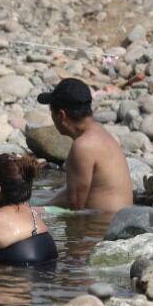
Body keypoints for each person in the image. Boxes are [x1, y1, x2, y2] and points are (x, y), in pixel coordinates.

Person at [39, 78, 132, 213]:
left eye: (51, 112)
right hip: (117, 222)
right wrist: (43, 205)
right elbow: (75, 191)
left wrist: (33, 212)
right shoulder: (101, 133)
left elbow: (75, 203)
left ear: (61, 115)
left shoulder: (83, 146)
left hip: (98, 228)